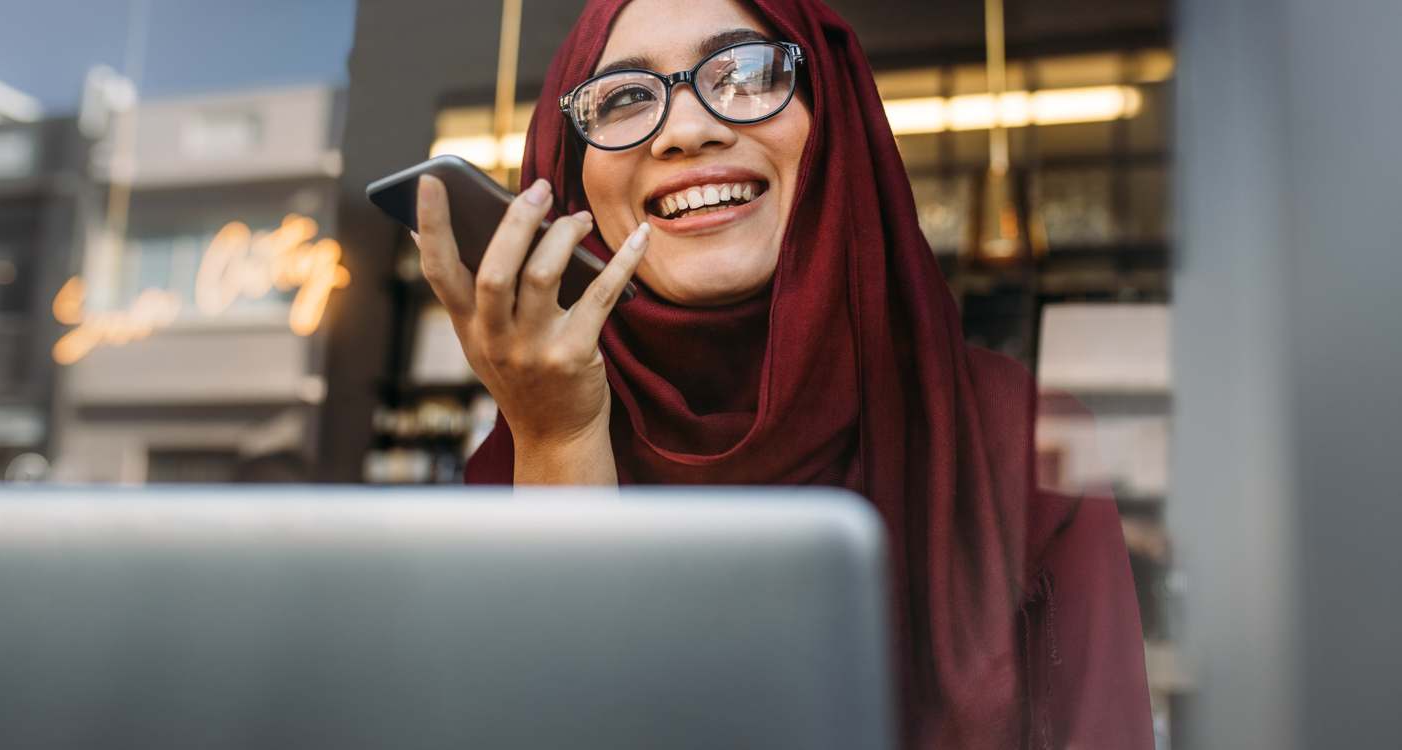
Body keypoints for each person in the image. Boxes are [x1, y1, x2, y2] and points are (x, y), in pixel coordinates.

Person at [411, 0, 1153, 746]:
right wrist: (559, 440)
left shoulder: (1018, 444)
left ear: (832, 121)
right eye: (627, 97)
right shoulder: (514, 468)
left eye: (747, 73)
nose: (688, 129)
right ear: (569, 175)